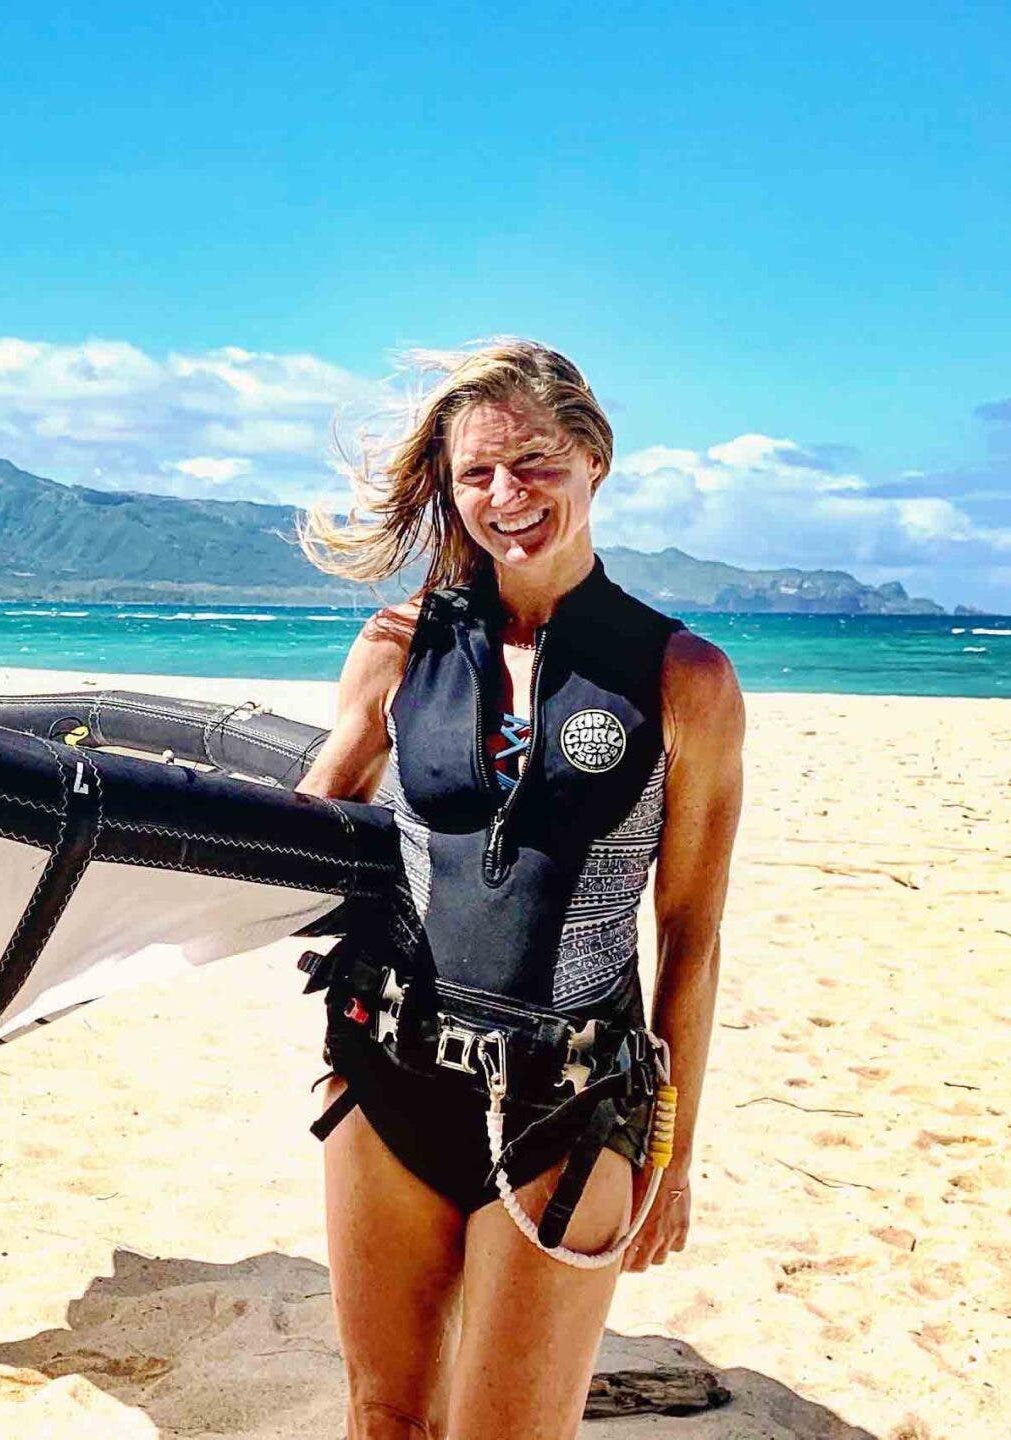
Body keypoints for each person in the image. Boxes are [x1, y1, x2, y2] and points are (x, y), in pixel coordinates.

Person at [293, 340, 744, 1439]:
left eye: (536, 463)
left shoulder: (681, 677)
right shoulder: (400, 644)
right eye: (476, 476)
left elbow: (688, 933)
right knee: (384, 1417)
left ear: (593, 460)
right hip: (384, 1077)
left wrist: (672, 1154)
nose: (508, 498)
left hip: (571, 1106)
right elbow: (300, 835)